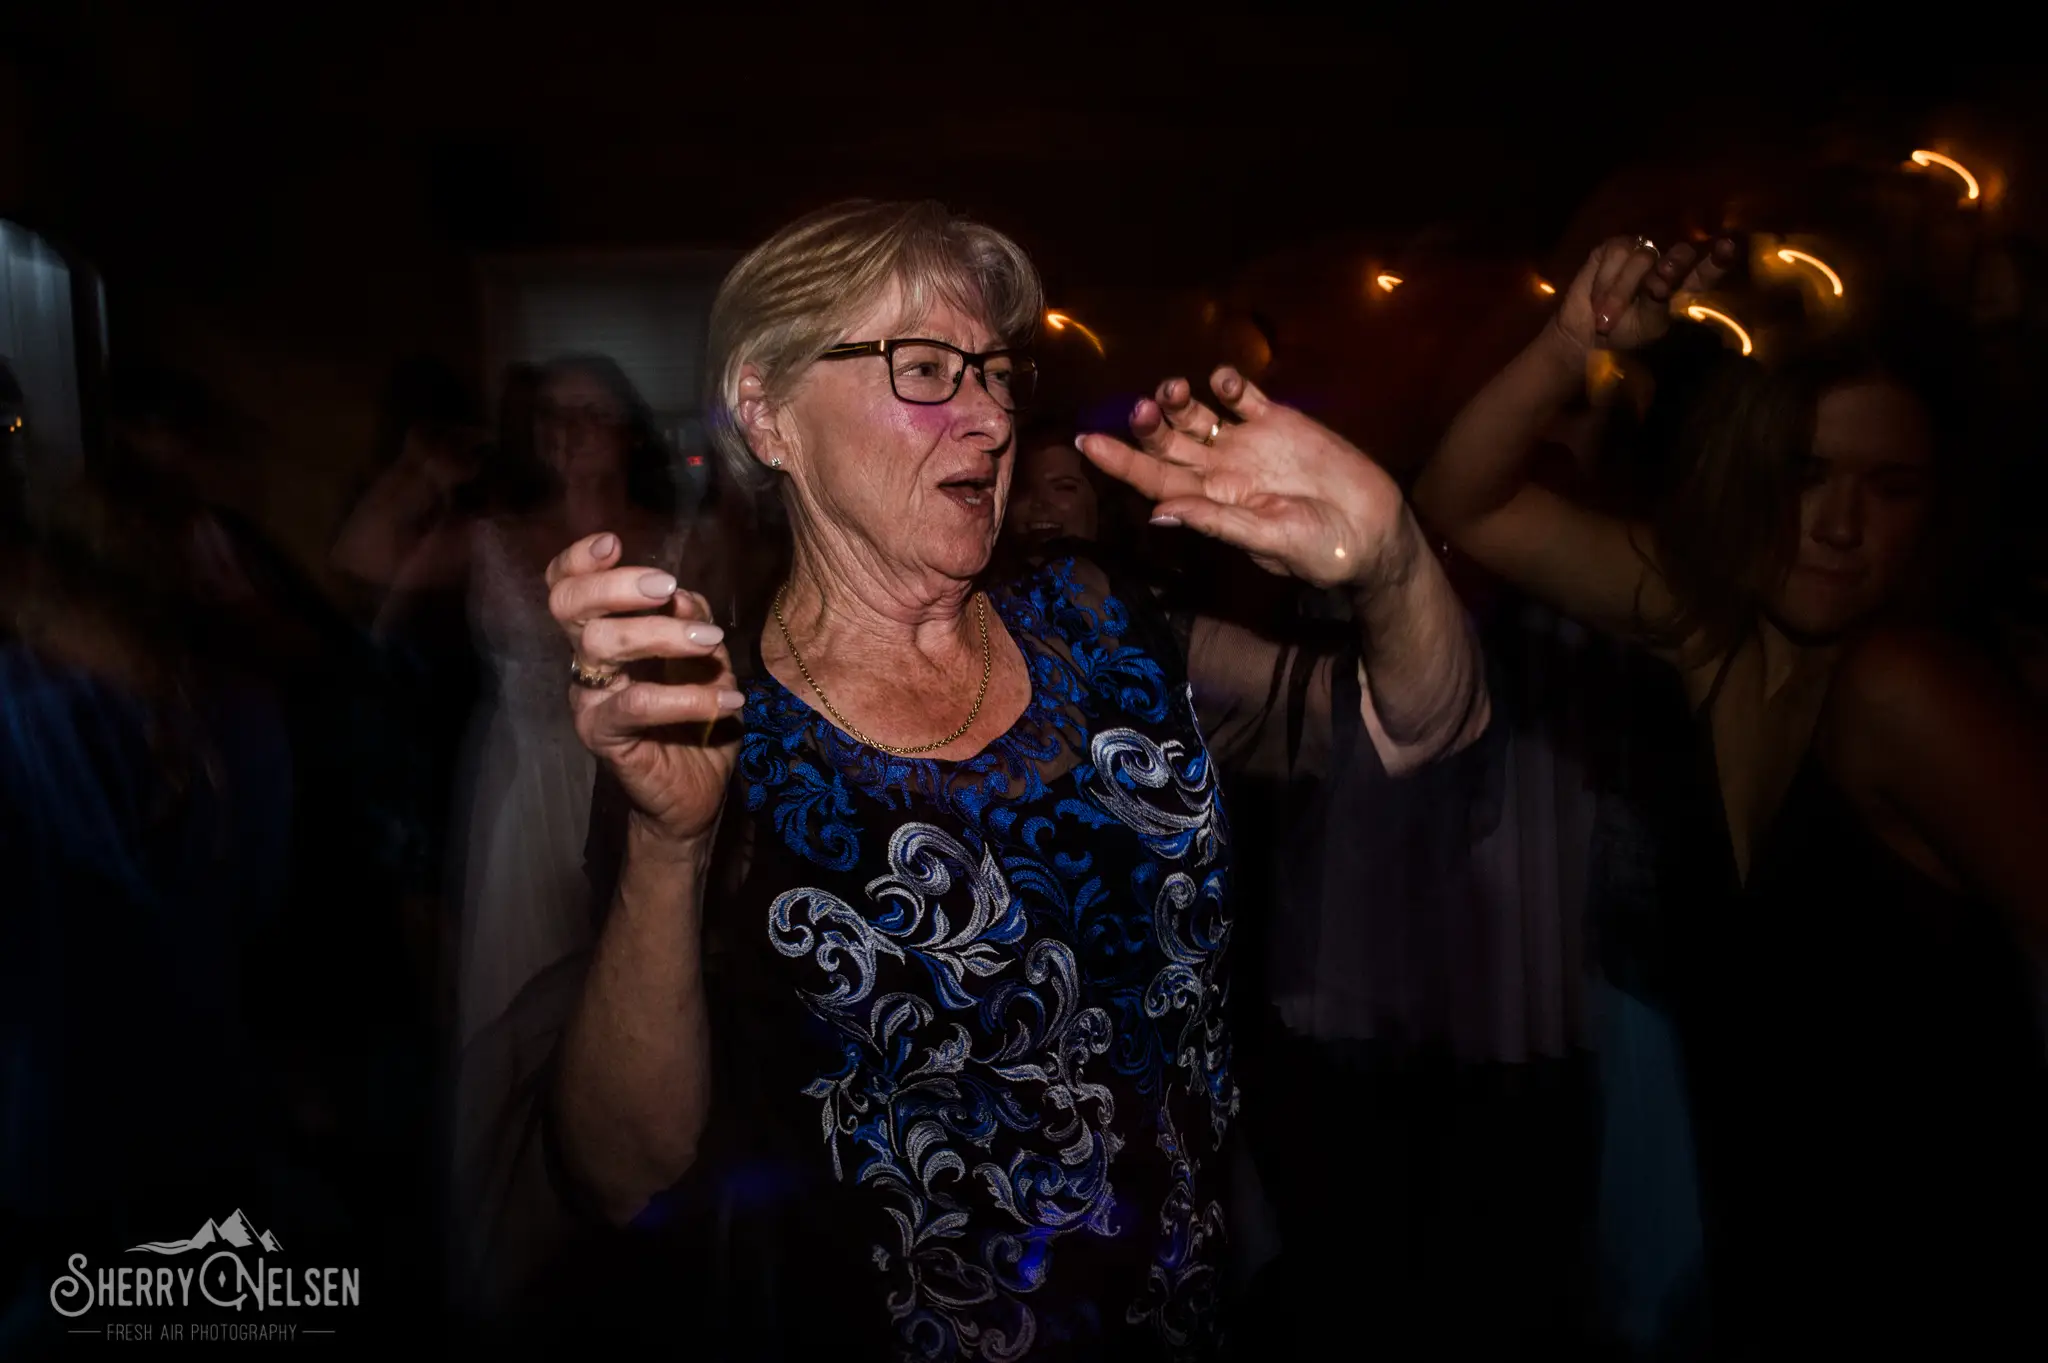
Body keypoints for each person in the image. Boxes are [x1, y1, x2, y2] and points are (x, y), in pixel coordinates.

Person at [535, 199, 1490, 1360]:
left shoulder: (1098, 618)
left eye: (995, 370)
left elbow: (1416, 723)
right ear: (766, 411)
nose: (990, 416)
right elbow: (627, 1171)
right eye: (926, 369)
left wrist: (1391, 559)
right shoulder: (706, 728)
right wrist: (670, 845)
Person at [1415, 234, 2048, 1355]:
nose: (1840, 527)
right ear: (1743, 472)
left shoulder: (1907, 686)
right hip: (1779, 1253)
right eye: (1804, 474)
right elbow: (1466, 501)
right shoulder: (1713, 629)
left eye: (1887, 488)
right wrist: (1571, 342)